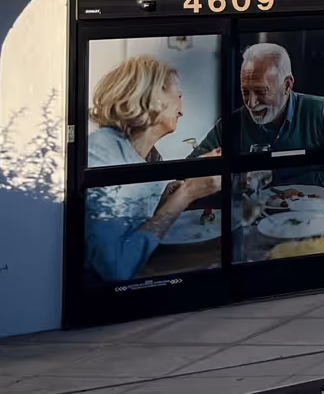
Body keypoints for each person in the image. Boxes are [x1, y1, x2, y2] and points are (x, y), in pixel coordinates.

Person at [84, 54, 221, 284]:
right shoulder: (100, 152)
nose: (181, 110)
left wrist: (169, 196)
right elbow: (115, 268)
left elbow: (139, 224)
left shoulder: (151, 156)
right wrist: (186, 193)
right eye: (178, 95)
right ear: (154, 97)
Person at [195, 42, 324, 190]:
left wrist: (294, 182)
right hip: (252, 213)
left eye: (261, 91)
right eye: (245, 92)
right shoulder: (232, 124)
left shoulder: (323, 112)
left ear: (287, 85)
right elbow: (193, 168)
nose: (251, 104)